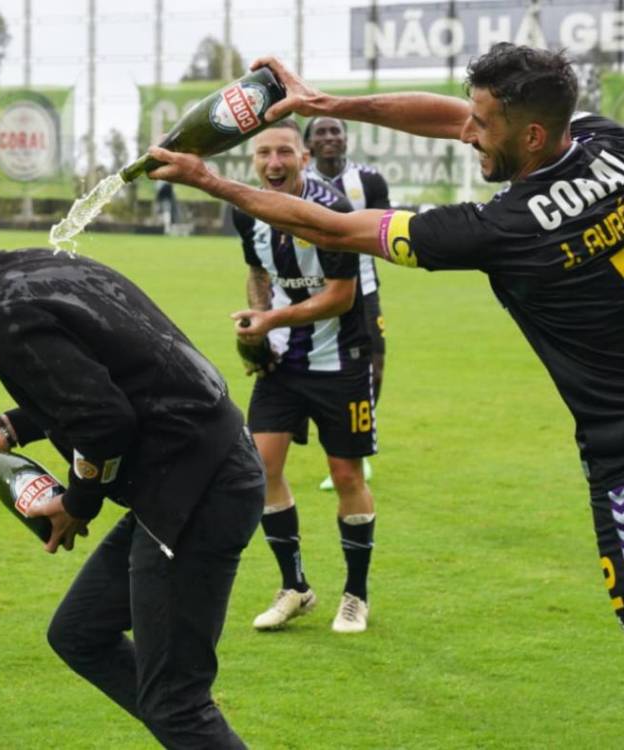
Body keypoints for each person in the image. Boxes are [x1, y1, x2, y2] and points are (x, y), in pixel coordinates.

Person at [149, 44, 624, 750]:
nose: (466, 131)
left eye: (482, 122)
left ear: (529, 135)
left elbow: (330, 227)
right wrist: (325, 103)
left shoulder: (506, 228)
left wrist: (209, 180)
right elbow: (448, 121)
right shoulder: (604, 143)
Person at [0, 225, 265, 749]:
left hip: (198, 488)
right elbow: (92, 377)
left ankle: (187, 724)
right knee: (79, 632)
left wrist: (77, 503)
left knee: (176, 703)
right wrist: (10, 427)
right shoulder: (19, 274)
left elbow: (105, 422)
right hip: (194, 473)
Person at [230, 120, 379, 635]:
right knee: (261, 469)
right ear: (254, 161)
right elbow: (257, 274)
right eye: (264, 153)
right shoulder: (246, 209)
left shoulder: (333, 211)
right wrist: (257, 328)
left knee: (345, 477)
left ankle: (356, 595)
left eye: (285, 153)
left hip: (341, 362)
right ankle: (295, 587)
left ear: (304, 157)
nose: (274, 162)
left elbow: (342, 296)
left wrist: (272, 319)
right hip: (283, 365)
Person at [303, 116, 391, 490]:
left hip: (363, 288)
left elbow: (384, 226)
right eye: (320, 132)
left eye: (335, 131)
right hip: (306, 292)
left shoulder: (368, 181)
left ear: (346, 139)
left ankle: (356, 449)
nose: (329, 137)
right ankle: (330, 447)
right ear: (308, 144)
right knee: (304, 370)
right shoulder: (297, 181)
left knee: (374, 366)